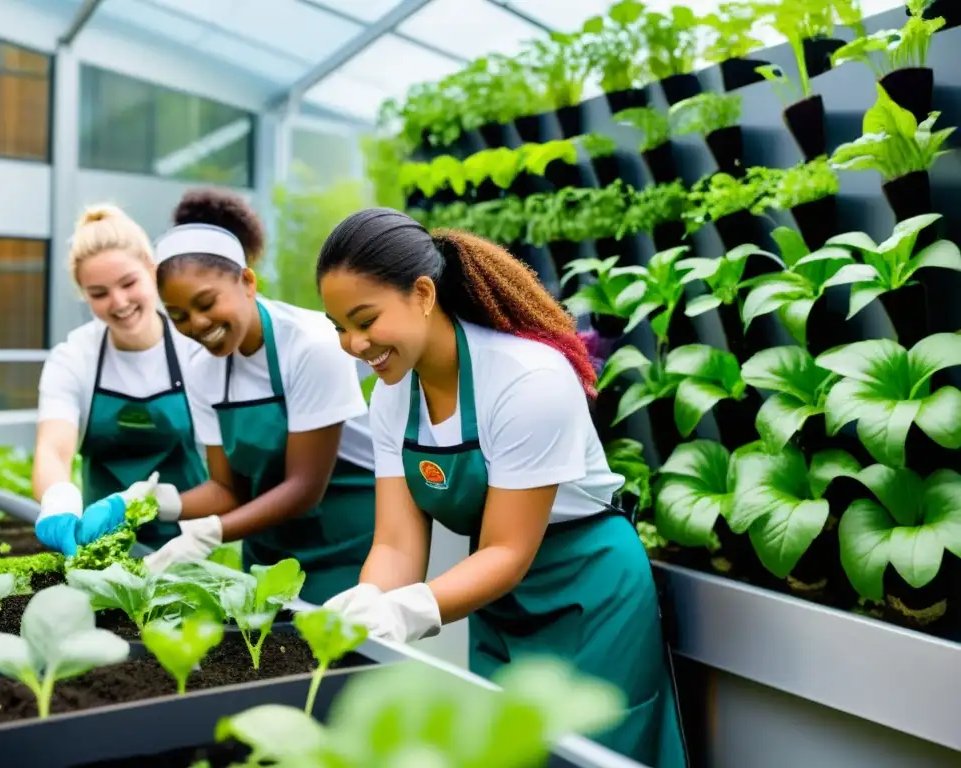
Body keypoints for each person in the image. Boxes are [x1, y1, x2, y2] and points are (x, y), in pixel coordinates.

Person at [316, 209, 687, 767]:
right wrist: (372, 601)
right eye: (339, 327)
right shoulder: (393, 397)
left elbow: (509, 550)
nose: (352, 343)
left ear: (422, 294)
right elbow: (395, 544)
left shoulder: (526, 379)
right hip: (494, 597)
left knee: (590, 753)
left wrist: (409, 612)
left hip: (587, 590)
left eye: (365, 320)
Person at [131, 189, 376, 604]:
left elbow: (305, 487)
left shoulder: (311, 344)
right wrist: (153, 504)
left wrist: (213, 532)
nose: (197, 324)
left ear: (247, 282)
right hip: (267, 548)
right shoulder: (201, 365)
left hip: (345, 545)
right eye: (178, 316)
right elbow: (227, 489)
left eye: (206, 302)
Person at [32, 205, 208, 555]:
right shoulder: (74, 357)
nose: (119, 302)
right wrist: (60, 501)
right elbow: (53, 448)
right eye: (99, 293)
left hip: (191, 543)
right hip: (99, 546)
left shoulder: (195, 349)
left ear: (151, 269)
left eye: (129, 283)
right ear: (83, 293)